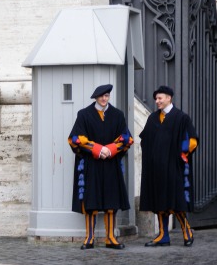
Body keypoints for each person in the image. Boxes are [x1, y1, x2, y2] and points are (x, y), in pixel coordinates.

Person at [68, 84, 133, 250]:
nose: (104, 99)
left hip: (111, 164)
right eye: (101, 96)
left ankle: (110, 237)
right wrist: (97, 149)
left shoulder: (118, 115)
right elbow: (75, 138)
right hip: (91, 164)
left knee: (112, 202)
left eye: (107, 96)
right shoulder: (84, 114)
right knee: (91, 202)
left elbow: (127, 138)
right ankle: (89, 237)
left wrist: (110, 150)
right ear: (96, 97)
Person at [140, 85, 199, 247]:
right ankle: (163, 235)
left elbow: (192, 141)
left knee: (176, 200)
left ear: (169, 98)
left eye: (160, 98)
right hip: (156, 169)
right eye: (156, 99)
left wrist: (180, 155)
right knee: (160, 201)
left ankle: (186, 230)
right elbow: (145, 139)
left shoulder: (181, 118)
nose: (157, 101)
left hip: (174, 167)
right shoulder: (153, 118)